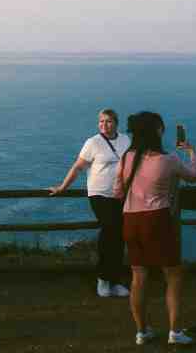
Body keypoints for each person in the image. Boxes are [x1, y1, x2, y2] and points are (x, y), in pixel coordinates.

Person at [112, 111, 196, 346]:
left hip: (131, 220)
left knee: (138, 276)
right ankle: (175, 331)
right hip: (157, 220)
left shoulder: (126, 158)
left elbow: (117, 192)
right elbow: (194, 176)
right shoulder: (168, 160)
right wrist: (191, 152)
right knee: (173, 274)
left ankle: (142, 332)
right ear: (158, 131)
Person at [49, 109, 131, 298]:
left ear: (116, 123)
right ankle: (103, 279)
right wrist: (63, 187)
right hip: (99, 194)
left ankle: (115, 281)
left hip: (121, 195)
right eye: (101, 122)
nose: (104, 125)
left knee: (119, 236)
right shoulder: (93, 143)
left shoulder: (126, 140)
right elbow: (78, 167)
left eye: (108, 121)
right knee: (110, 230)